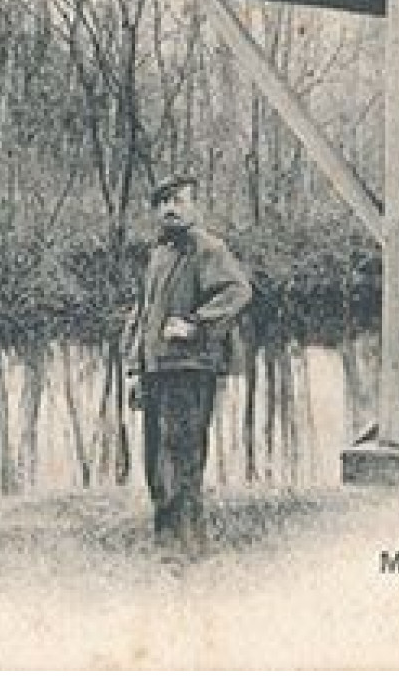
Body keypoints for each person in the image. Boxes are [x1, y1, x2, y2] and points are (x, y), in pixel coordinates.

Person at [122, 173, 253, 550]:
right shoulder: (158, 255)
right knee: (155, 458)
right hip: (156, 369)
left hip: (190, 368)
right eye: (163, 202)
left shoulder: (208, 249)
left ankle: (190, 543)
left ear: (194, 206)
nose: (169, 209)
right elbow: (143, 315)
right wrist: (135, 368)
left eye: (178, 201)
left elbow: (237, 291)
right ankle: (166, 539)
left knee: (183, 455)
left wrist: (195, 325)